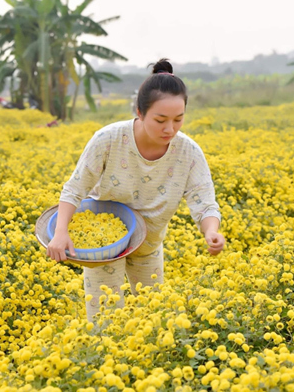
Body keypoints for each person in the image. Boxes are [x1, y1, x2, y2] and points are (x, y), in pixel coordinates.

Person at [47, 58, 225, 321]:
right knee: (103, 320)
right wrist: (60, 232)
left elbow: (204, 201)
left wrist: (211, 231)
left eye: (178, 119)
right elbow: (75, 188)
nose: (170, 129)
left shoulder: (189, 151)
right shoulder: (108, 139)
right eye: (160, 120)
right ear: (140, 113)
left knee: (154, 317)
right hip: (104, 246)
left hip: (149, 244)